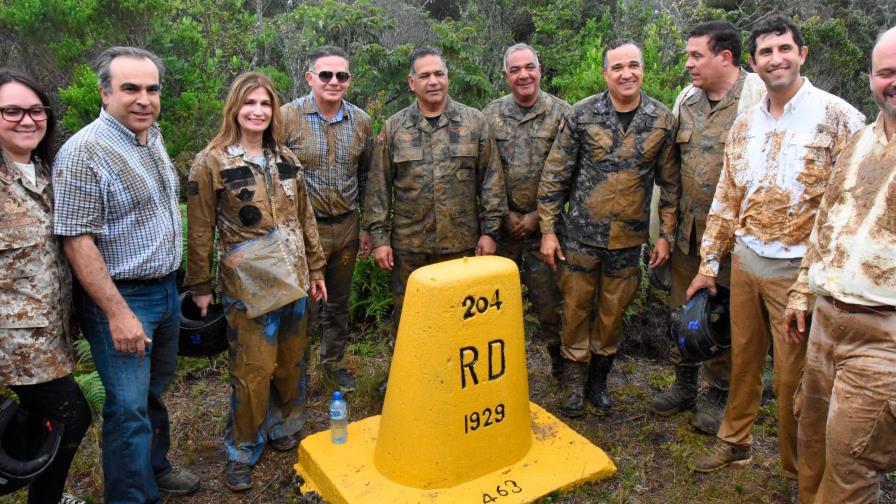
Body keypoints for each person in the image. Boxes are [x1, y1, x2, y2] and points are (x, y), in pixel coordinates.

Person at [688, 17, 865, 484]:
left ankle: (796, 474)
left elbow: (847, 212)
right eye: (765, 52)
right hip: (746, 261)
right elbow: (727, 195)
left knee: (793, 381)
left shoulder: (840, 117)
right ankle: (735, 443)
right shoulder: (746, 123)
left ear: (802, 54)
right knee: (743, 360)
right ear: (752, 62)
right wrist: (709, 264)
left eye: (784, 49)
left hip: (799, 272)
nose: (776, 59)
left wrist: (813, 284)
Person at [53, 46, 200, 502]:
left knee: (152, 394)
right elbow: (77, 241)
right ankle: (133, 497)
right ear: (104, 92)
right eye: (130, 88)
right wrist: (117, 313)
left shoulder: (149, 136)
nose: (144, 99)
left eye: (152, 89)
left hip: (164, 291)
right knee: (128, 410)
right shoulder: (84, 152)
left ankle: (154, 467)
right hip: (121, 298)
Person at [184, 71, 327, 491]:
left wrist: (316, 269)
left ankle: (285, 425)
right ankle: (242, 448)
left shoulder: (286, 157)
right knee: (253, 369)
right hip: (248, 285)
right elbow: (199, 229)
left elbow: (306, 219)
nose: (258, 112)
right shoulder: (212, 160)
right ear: (235, 108)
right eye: (250, 103)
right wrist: (200, 285)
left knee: (291, 359)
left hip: (295, 277)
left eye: (265, 104)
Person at [538, 38, 680, 418]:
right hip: (580, 237)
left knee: (612, 314)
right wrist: (548, 230)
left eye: (633, 65)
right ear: (605, 73)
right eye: (617, 67)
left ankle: (598, 383)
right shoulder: (582, 115)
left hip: (627, 241)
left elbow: (671, 185)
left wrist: (665, 235)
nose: (626, 73)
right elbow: (555, 176)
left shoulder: (662, 119)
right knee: (575, 309)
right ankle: (572, 385)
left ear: (643, 69)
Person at [784, 26, 896, 504]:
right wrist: (801, 293)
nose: (894, 81)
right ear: (870, 77)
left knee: (851, 467)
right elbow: (824, 225)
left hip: (883, 340)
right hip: (826, 323)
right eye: (887, 71)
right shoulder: (857, 142)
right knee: (812, 445)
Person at [365, 46, 506, 392]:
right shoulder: (395, 127)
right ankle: (405, 380)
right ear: (411, 82)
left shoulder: (474, 122)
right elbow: (379, 187)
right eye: (424, 76)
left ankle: (456, 382)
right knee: (408, 317)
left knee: (459, 318)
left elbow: (491, 180)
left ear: (447, 78)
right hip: (410, 245)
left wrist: (491, 232)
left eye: (438, 74)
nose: (433, 81)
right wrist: (379, 239)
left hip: (461, 245)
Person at [650, 21, 765, 435]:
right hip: (689, 235)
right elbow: (672, 172)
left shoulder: (758, 100)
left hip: (737, 242)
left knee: (724, 317)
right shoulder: (687, 100)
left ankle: (717, 395)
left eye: (696, 55)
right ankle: (683, 387)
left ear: (725, 58)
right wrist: (664, 230)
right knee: (683, 311)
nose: (688, 64)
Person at [0, 69, 91, 504]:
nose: (26, 119)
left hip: (50, 332)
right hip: (13, 343)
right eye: (12, 111)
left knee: (40, 420)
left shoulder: (46, 172)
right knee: (71, 416)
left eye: (36, 110)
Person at [281, 45, 373, 392]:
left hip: (346, 225)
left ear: (348, 81)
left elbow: (366, 178)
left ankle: (333, 365)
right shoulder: (287, 117)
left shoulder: (361, 121)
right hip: (304, 229)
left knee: (338, 303)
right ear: (310, 78)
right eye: (326, 75)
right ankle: (296, 374)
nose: (334, 81)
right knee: (302, 306)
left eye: (341, 76)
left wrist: (367, 228)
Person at [483, 44, 570, 379]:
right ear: (506, 76)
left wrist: (539, 216)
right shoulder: (489, 115)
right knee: (493, 306)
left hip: (545, 231)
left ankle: (561, 365)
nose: (523, 75)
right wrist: (504, 215)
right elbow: (485, 171)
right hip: (500, 231)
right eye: (515, 70)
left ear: (540, 69)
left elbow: (570, 174)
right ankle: (494, 370)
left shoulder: (563, 113)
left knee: (550, 304)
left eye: (529, 67)